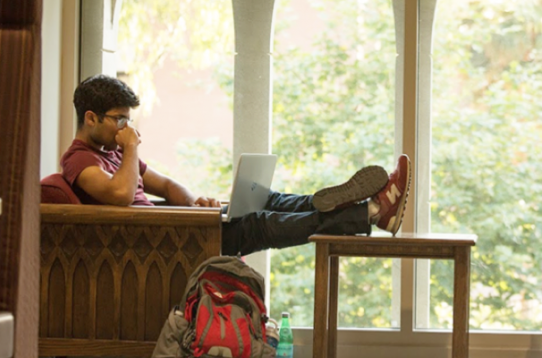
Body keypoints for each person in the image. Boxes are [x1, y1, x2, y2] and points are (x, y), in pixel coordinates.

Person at [61, 74, 412, 256]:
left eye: (129, 121)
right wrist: (131, 147)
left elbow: (167, 187)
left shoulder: (118, 153)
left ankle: (358, 205)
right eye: (119, 120)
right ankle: (374, 209)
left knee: (265, 199)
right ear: (91, 118)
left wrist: (195, 204)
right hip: (160, 242)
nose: (128, 129)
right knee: (259, 224)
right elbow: (121, 195)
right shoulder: (79, 160)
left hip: (180, 225)